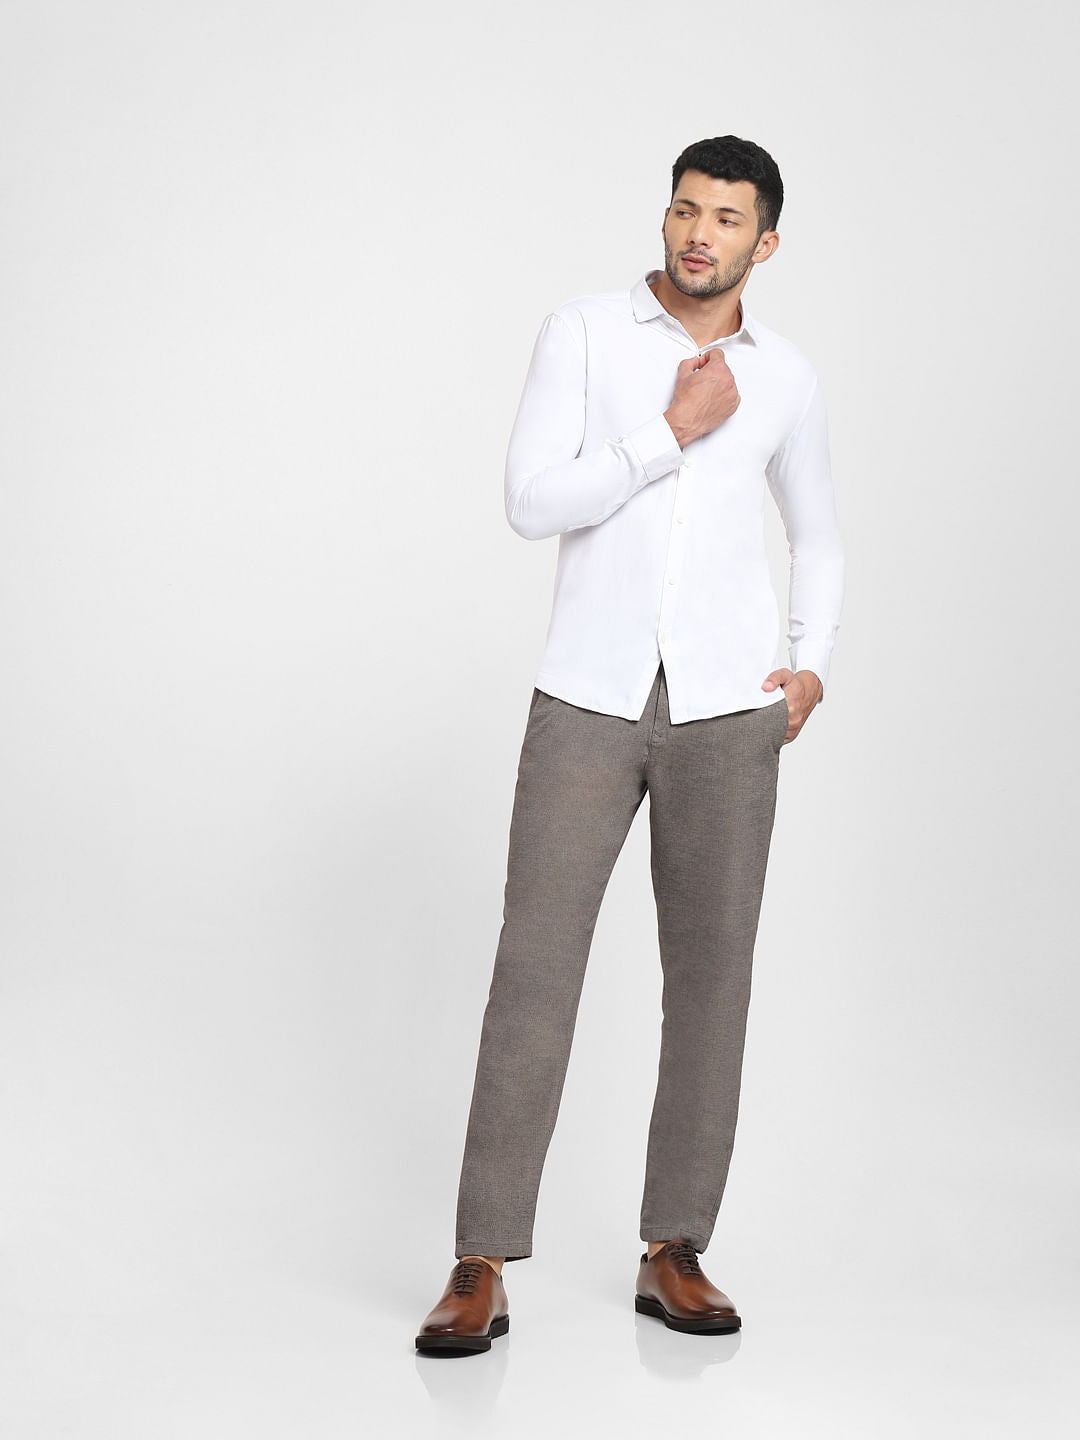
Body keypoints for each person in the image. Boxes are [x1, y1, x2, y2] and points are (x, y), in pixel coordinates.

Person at [415, 134, 844, 1354]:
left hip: (729, 711)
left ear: (766, 242)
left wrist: (810, 661)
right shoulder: (586, 335)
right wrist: (669, 430)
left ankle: (674, 1249)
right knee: (534, 974)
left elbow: (818, 531)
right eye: (684, 210)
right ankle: (480, 1260)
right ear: (665, 217)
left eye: (727, 218)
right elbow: (529, 501)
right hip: (587, 698)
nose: (699, 234)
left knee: (712, 981)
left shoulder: (790, 378)